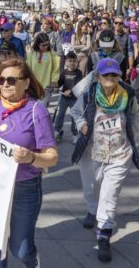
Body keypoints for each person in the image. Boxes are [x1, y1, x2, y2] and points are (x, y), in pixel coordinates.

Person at [0, 58, 58, 267]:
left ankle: (32, 260)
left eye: (12, 80)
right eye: (1, 79)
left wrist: (30, 157)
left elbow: (52, 156)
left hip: (25, 187)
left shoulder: (36, 111)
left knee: (20, 250)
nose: (5, 84)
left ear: (25, 82)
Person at [71, 58, 139, 262]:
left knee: (109, 196)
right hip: (92, 152)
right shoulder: (89, 94)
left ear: (119, 76)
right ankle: (92, 209)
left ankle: (104, 234)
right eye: (106, 75)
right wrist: (82, 123)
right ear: (98, 77)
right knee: (91, 187)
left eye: (114, 75)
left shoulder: (128, 95)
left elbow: (134, 116)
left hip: (120, 153)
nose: (110, 78)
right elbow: (75, 111)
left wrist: (134, 130)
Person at [54, 52, 82, 143]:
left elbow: (77, 84)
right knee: (60, 115)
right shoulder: (64, 72)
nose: (72, 63)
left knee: (74, 117)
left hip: (74, 99)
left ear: (77, 62)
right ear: (66, 62)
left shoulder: (79, 73)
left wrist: (70, 91)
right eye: (70, 61)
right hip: (63, 98)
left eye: (74, 61)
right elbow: (60, 82)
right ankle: (57, 131)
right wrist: (56, 87)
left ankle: (75, 134)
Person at [26, 33, 60, 107]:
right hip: (34, 85)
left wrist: (54, 80)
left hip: (47, 87)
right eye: (43, 45)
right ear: (38, 44)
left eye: (47, 44)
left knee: (42, 107)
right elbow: (27, 68)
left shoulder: (51, 53)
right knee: (33, 107)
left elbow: (56, 68)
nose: (46, 47)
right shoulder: (32, 53)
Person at [113, 15, 134, 81]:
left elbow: (130, 53)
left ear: (123, 25)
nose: (118, 24)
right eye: (116, 23)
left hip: (122, 66)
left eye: (121, 23)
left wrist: (130, 68)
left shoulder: (127, 37)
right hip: (109, 64)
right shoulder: (109, 35)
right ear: (113, 24)